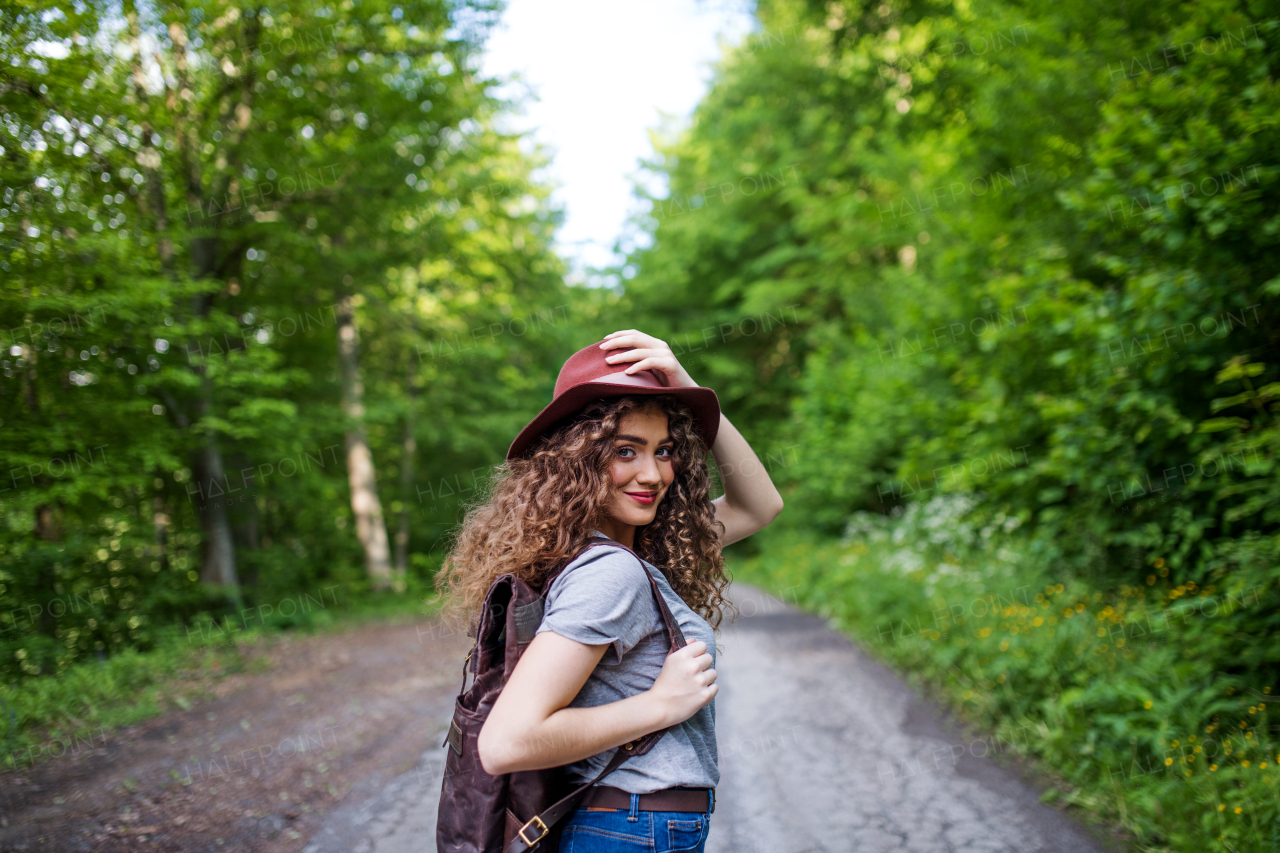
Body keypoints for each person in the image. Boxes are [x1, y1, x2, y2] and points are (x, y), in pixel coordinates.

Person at [436, 329, 784, 852]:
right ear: (577, 461)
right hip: (630, 829)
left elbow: (760, 506)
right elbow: (507, 743)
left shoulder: (631, 557)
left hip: (630, 828)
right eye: (626, 451)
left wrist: (688, 387)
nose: (653, 473)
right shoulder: (609, 574)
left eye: (664, 450)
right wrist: (660, 705)